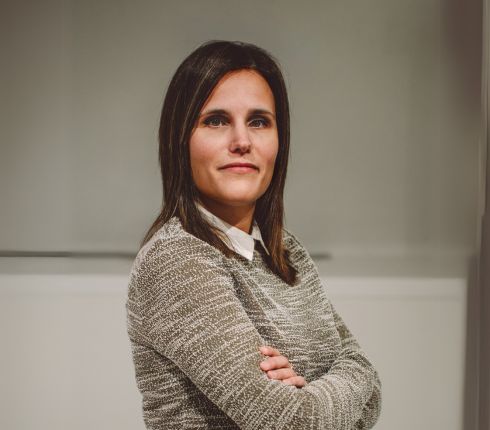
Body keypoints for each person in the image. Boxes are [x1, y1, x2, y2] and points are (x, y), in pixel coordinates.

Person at [126, 40, 382, 430]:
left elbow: (371, 387)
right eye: (216, 120)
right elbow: (296, 421)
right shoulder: (174, 261)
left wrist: (314, 390)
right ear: (180, 140)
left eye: (259, 121)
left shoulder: (287, 252)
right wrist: (332, 388)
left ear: (280, 140)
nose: (242, 141)